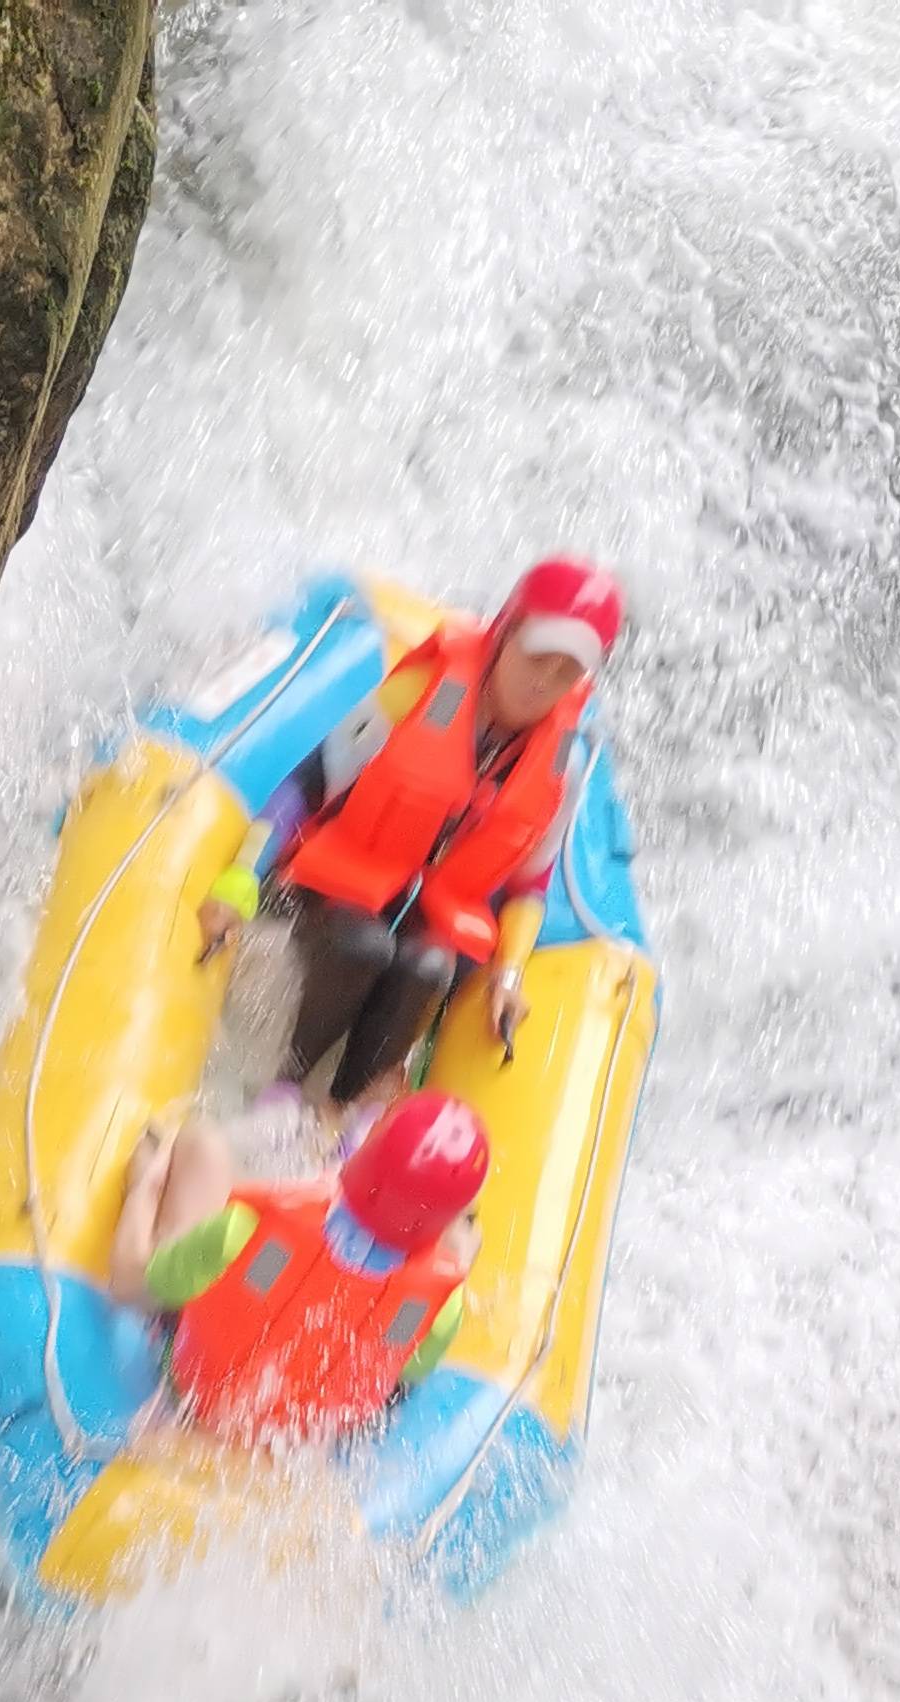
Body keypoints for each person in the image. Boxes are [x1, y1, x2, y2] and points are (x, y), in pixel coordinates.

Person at [197, 555, 624, 1105]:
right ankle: (279, 1091)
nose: (544, 681)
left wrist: (509, 976)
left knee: (431, 964)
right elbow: (307, 784)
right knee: (364, 945)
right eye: (537, 656)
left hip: (421, 919)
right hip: (323, 898)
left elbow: (529, 883)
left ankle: (339, 1111)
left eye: (566, 671)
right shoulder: (428, 689)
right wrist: (238, 880)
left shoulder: (561, 756)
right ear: (505, 631)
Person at [109, 1089, 492, 1443]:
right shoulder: (440, 1304)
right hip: (301, 1443)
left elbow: (127, 1285)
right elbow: (404, 1377)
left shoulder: (250, 1231)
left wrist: (146, 1188)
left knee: (201, 1147)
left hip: (196, 1401)